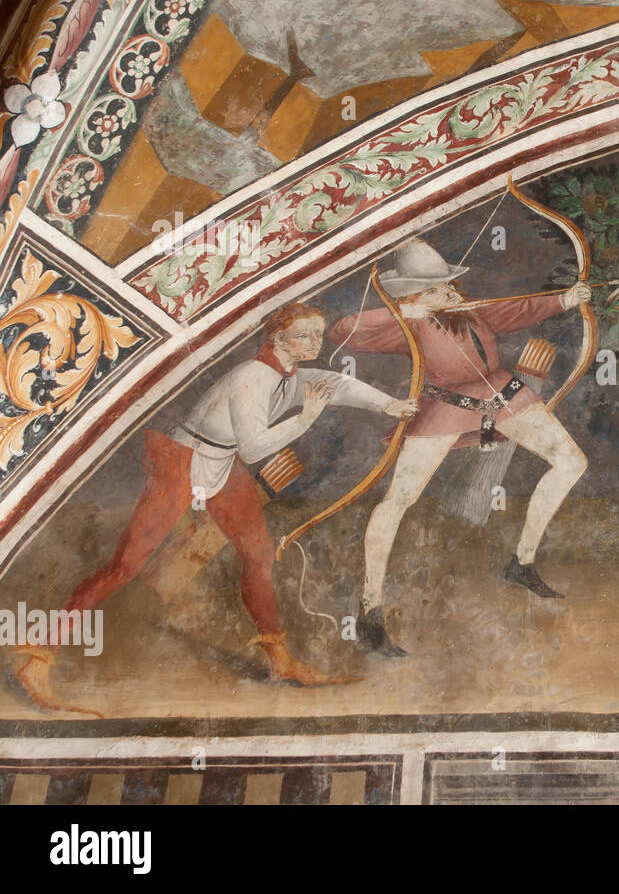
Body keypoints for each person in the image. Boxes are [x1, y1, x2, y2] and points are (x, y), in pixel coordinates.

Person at [13, 304, 418, 716]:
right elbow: (255, 447)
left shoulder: (289, 378)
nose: (315, 342)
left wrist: (390, 405)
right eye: (304, 334)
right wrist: (306, 419)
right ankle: (37, 661)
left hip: (222, 464)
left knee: (258, 555)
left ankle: (280, 662)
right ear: (277, 338)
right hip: (184, 460)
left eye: (318, 333)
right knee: (124, 567)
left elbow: (337, 384)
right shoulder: (253, 377)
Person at [331, 239, 591, 656]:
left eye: (449, 285)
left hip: (505, 395)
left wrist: (564, 299)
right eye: (437, 289)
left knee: (570, 462)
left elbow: (518, 310)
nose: (451, 292)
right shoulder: (408, 321)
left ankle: (521, 561)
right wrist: (406, 312)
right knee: (399, 499)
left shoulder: (467, 309)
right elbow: (344, 332)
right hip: (448, 407)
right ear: (414, 295)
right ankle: (369, 607)